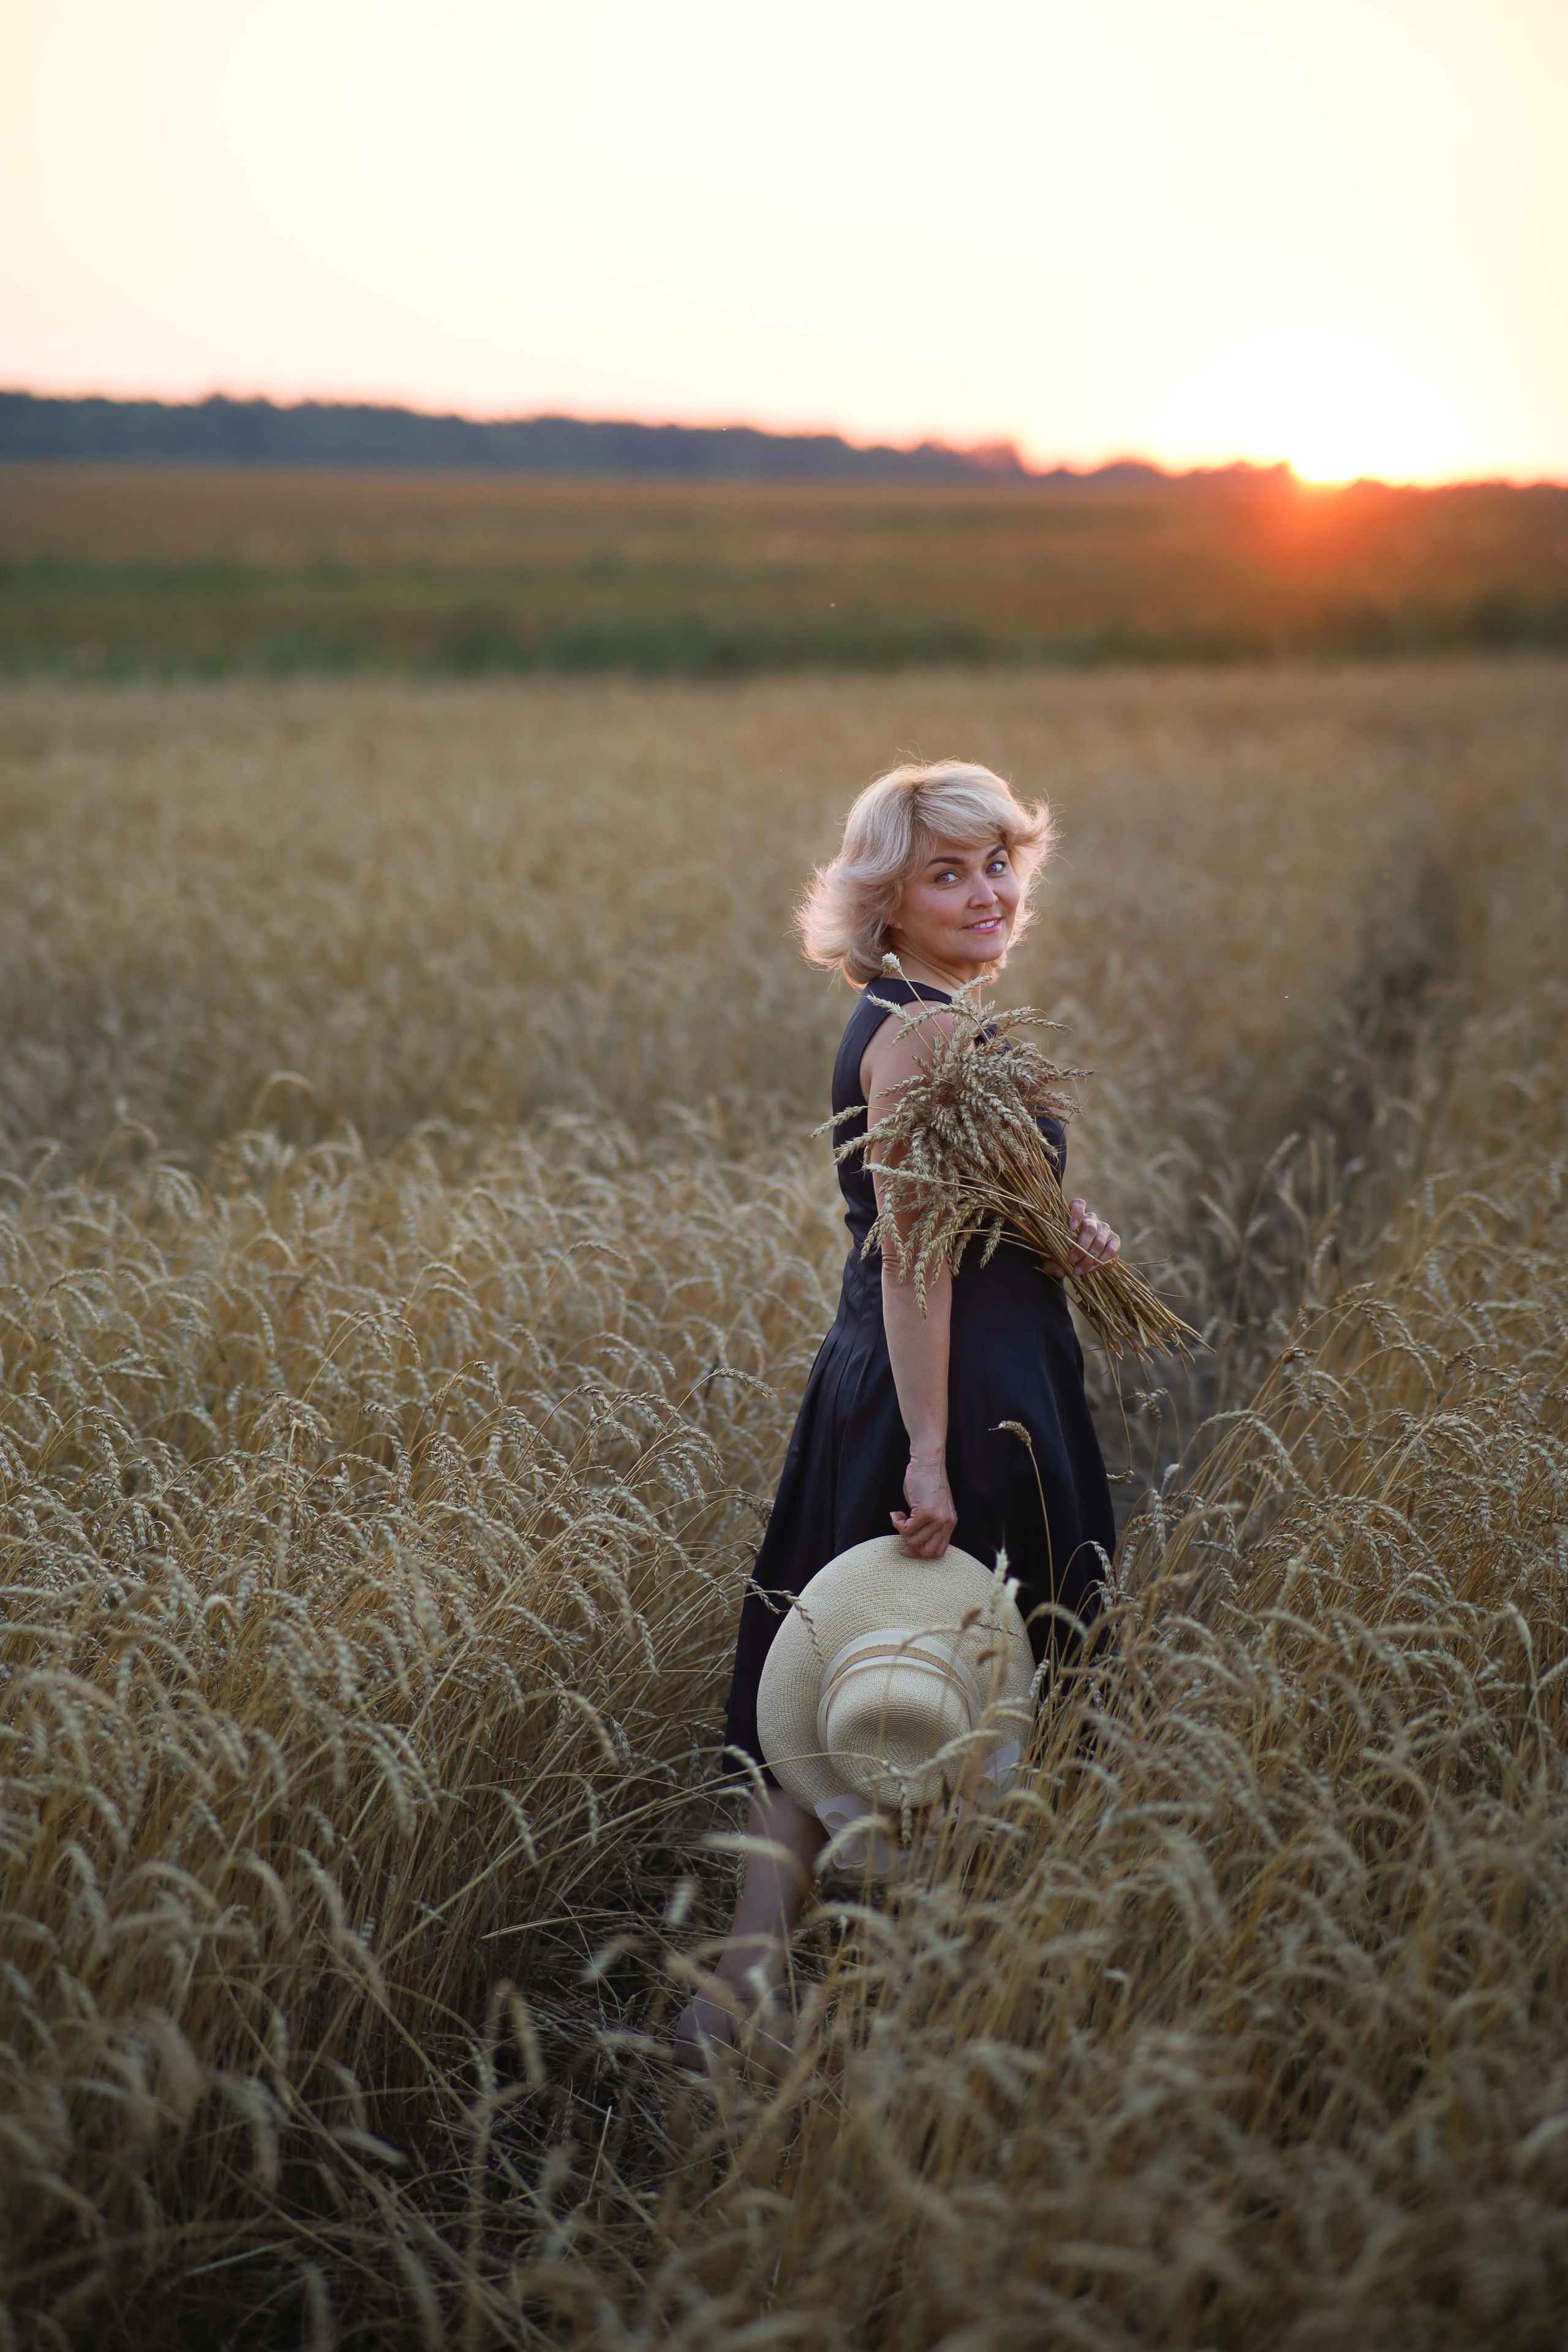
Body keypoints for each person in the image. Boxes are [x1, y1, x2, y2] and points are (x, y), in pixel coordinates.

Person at [673, 761, 1120, 2067]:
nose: (984, 892)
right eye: (946, 873)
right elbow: (917, 1256)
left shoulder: (910, 1012)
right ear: (887, 898)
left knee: (838, 1678)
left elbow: (949, 1225)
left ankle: (743, 1997)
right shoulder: (922, 1033)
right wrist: (929, 1454)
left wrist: (1052, 1225)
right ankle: (932, 2014)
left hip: (898, 1370)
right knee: (971, 1675)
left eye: (995, 865)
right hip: (957, 1391)